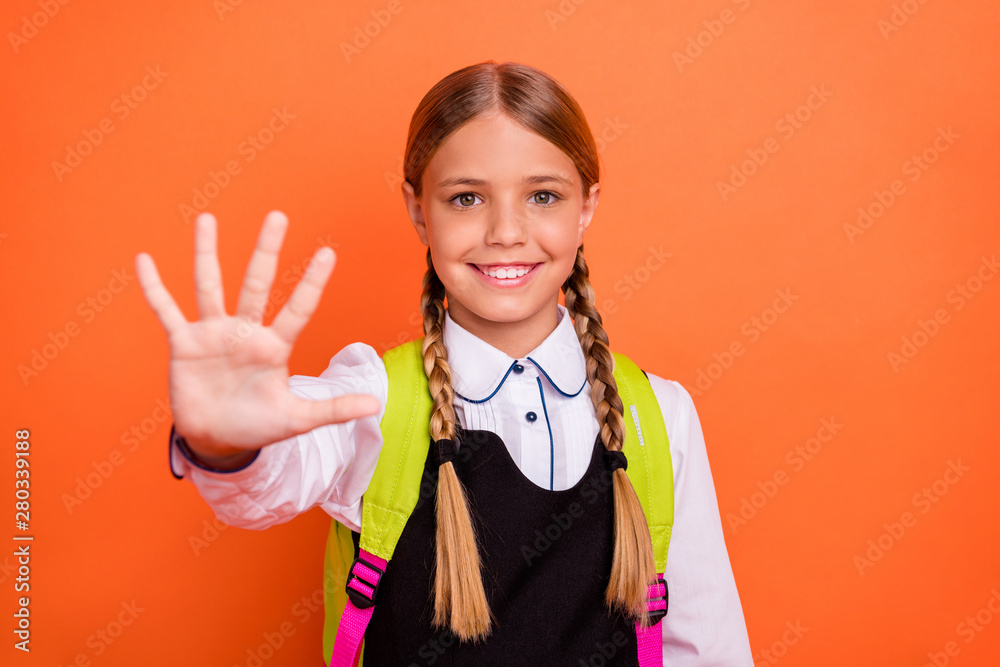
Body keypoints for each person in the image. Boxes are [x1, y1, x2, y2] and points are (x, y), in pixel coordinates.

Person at [136, 61, 753, 665]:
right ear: (417, 209)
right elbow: (267, 488)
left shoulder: (658, 415)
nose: (506, 231)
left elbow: (708, 646)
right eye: (465, 198)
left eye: (543, 195)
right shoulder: (373, 399)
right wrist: (225, 444)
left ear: (586, 206)